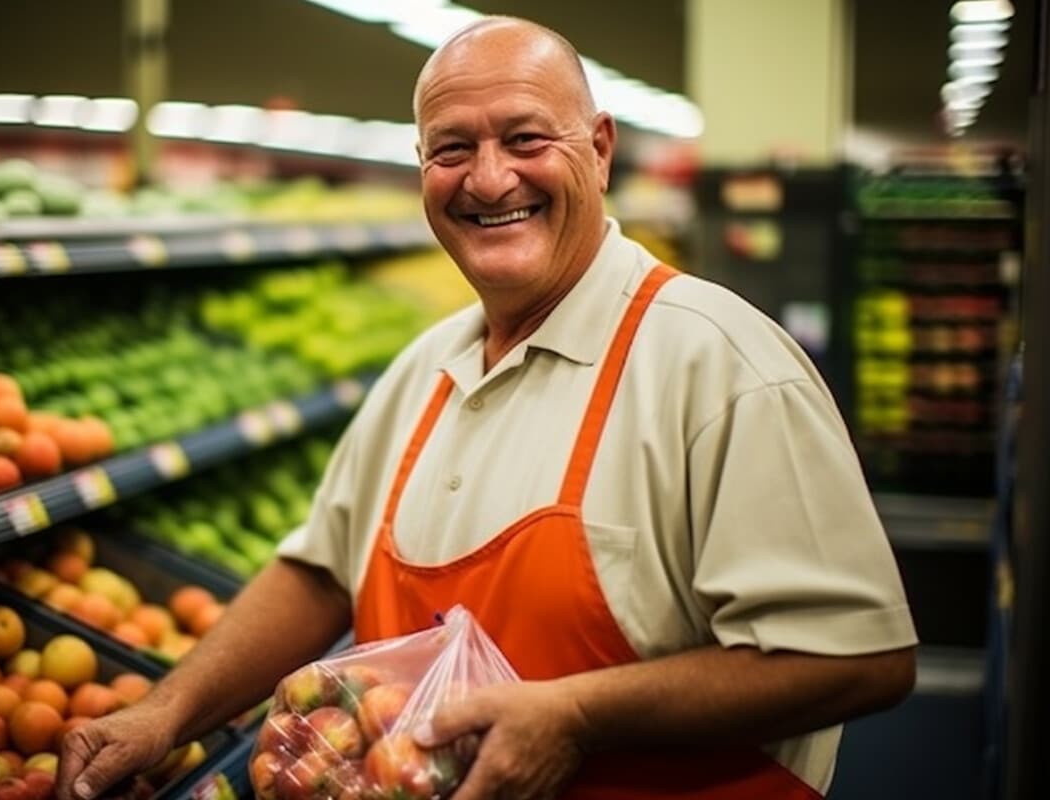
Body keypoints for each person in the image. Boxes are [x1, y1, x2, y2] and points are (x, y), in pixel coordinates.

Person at [56, 16, 917, 800]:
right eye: (452, 149)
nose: (490, 178)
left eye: (526, 138)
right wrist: (164, 717)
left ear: (601, 148)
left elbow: (857, 658)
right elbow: (319, 572)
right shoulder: (423, 370)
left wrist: (576, 715)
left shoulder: (717, 366)